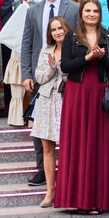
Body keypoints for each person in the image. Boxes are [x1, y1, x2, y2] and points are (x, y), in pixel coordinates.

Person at [55, 0, 109, 214]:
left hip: (102, 94)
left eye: (95, 11)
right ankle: (78, 199)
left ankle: (99, 200)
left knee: (101, 144)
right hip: (78, 93)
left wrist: (101, 58)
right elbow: (66, 66)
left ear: (100, 14)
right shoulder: (71, 36)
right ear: (81, 13)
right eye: (87, 10)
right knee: (78, 142)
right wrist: (87, 57)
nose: (91, 14)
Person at [21, 0, 78, 181]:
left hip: (67, 74)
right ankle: (42, 171)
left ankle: (67, 172)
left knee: (67, 124)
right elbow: (26, 43)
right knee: (40, 125)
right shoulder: (33, 11)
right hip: (41, 74)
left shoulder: (74, 8)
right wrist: (26, 74)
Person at [3, 0, 52, 127]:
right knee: (18, 68)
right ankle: (16, 117)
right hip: (22, 30)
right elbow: (14, 5)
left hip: (43, 32)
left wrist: (32, 3)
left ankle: (36, 116)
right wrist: (22, 1)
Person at [30, 16, 69, 207]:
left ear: (66, 29)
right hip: (46, 100)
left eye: (60, 28)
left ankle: (66, 189)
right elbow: (39, 76)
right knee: (47, 147)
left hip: (66, 100)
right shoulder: (46, 50)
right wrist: (52, 68)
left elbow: (73, 76)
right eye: (54, 30)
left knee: (67, 147)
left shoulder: (73, 49)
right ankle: (50, 191)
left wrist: (60, 67)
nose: (58, 32)